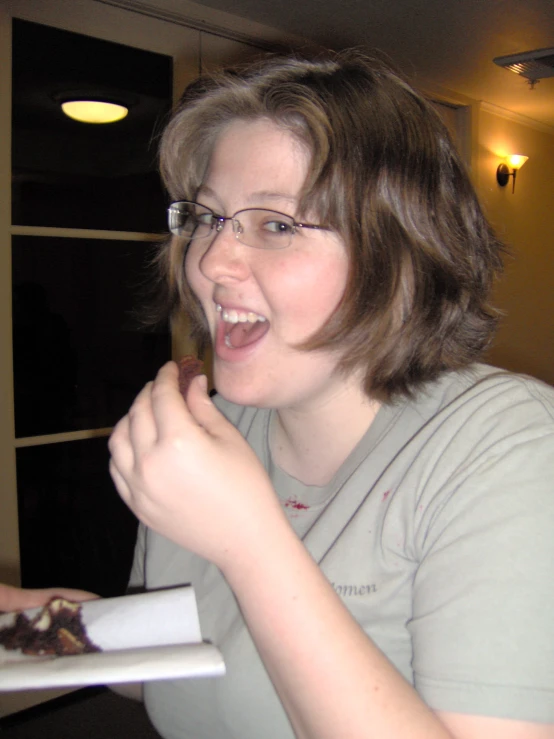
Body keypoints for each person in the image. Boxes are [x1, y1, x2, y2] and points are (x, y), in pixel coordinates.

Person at [4, 51, 554, 738]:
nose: (209, 261)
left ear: (401, 256)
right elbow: (183, 657)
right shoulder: (212, 432)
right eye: (207, 217)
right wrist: (26, 626)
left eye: (276, 224)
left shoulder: (506, 446)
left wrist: (245, 538)